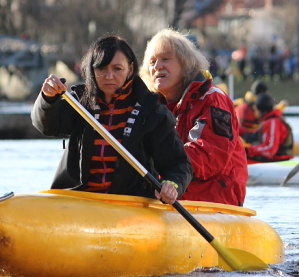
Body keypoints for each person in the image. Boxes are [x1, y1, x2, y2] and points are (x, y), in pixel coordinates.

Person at [31, 35, 192, 204]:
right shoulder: (78, 102)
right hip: (78, 201)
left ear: (130, 69)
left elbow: (179, 165)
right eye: (102, 68)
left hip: (129, 204)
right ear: (92, 70)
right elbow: (46, 125)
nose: (109, 76)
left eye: (117, 69)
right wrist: (47, 98)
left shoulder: (152, 110)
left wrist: (172, 184)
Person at [140, 28, 247, 206]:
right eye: (152, 62)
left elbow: (209, 154)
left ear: (186, 64)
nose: (157, 66)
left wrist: (169, 172)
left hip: (214, 200)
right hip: (169, 193)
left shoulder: (212, 99)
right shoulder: (152, 106)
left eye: (166, 59)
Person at [244, 93, 294, 164]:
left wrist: (247, 150)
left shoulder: (272, 122)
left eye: (255, 109)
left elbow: (270, 150)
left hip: (279, 161)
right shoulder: (270, 121)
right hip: (274, 160)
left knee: (238, 160)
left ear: (259, 110)